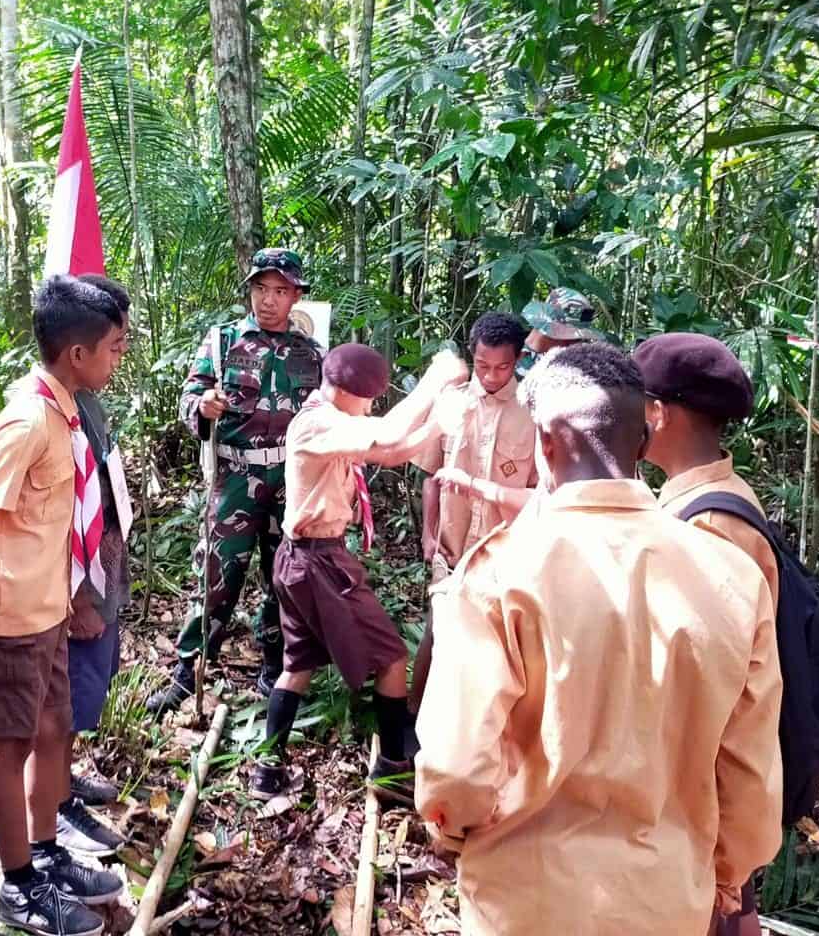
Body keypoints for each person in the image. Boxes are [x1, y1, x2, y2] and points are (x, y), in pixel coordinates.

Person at [415, 342, 783, 935]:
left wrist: (450, 828)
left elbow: (455, 772)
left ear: (546, 444)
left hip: (524, 901)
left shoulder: (497, 575)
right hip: (666, 900)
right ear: (642, 442)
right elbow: (748, 767)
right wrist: (725, 873)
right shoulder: (730, 576)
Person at [0, 277, 127, 936]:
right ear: (78, 354)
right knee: (10, 745)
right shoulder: (28, 419)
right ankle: (17, 882)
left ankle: (47, 850)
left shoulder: (64, 410)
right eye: (114, 348)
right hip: (11, 619)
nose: (118, 360)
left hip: (49, 611)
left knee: (53, 730)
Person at [250, 344, 468, 802]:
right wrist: (436, 377)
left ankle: (267, 766)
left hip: (303, 558)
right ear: (346, 393)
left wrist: (435, 424)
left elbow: (391, 453)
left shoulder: (328, 421)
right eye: (367, 400)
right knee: (392, 659)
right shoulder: (318, 423)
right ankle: (391, 769)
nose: (370, 409)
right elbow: (388, 432)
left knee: (298, 665)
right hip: (317, 563)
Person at [633, 331, 778, 936]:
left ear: (658, 412)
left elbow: (715, 703)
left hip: (703, 821)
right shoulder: (695, 504)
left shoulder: (711, 525)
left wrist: (728, 866)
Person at [147, 248, 323, 716]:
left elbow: (328, 418)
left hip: (291, 478)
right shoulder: (224, 342)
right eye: (261, 289)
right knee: (216, 572)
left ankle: (274, 667)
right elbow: (190, 395)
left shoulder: (312, 354)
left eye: (280, 291)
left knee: (284, 576)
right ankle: (189, 671)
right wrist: (200, 406)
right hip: (236, 475)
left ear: (296, 296)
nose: (268, 300)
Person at [410, 312, 536, 710]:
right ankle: (415, 718)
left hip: (506, 553)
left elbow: (537, 492)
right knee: (437, 633)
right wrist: (430, 536)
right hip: (451, 549)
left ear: (516, 360)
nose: (492, 375)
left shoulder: (533, 411)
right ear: (473, 356)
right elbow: (430, 475)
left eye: (502, 367)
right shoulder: (453, 403)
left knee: (494, 647)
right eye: (482, 365)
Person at [55, 274, 133, 858]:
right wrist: (78, 595)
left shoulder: (89, 401)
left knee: (87, 687)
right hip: (77, 580)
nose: (122, 352)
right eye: (115, 343)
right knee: (67, 691)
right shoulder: (50, 415)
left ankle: (65, 780)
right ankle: (55, 806)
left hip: (104, 560)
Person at [516, 286, 607, 379]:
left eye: (578, 339)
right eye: (570, 337)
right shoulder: (512, 354)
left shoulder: (582, 360)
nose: (574, 344)